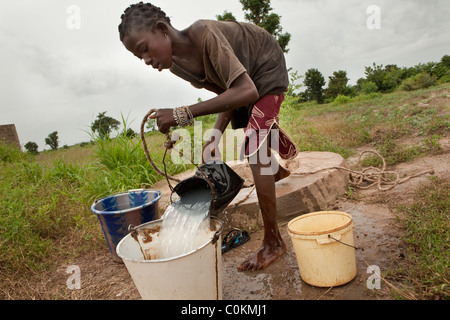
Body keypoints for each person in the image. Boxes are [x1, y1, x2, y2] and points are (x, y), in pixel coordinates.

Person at [118, 2, 298, 271]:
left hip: (264, 64)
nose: (145, 60)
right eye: (138, 57)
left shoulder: (204, 34)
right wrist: (213, 136)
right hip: (243, 82)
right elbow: (227, 94)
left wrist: (182, 114)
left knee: (254, 146)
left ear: (162, 29)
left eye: (144, 48)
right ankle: (274, 168)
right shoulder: (177, 65)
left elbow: (245, 91)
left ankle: (273, 242)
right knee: (256, 131)